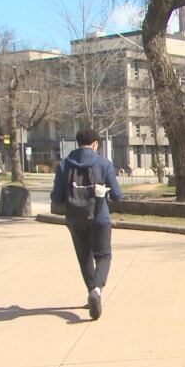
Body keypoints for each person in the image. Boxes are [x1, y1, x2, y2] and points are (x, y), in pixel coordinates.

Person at [51, 129, 122, 320]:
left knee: (84, 257)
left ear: (78, 143)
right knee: (104, 255)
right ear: (95, 144)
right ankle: (97, 291)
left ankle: (91, 290)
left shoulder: (64, 164)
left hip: (74, 218)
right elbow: (117, 194)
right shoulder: (104, 163)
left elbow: (56, 197)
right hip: (100, 217)